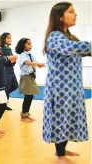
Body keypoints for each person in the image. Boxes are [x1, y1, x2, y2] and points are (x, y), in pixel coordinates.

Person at [42, 2, 91, 163]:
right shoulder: (55, 36)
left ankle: (62, 149)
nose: (75, 14)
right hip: (60, 89)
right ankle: (60, 154)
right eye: (71, 11)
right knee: (60, 119)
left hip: (72, 88)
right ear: (60, 16)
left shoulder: (69, 37)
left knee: (69, 118)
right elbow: (71, 48)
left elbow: (81, 49)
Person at [15, 38, 45, 122]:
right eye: (28, 44)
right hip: (26, 77)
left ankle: (25, 113)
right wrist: (37, 64)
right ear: (23, 45)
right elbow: (28, 62)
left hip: (30, 76)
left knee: (30, 96)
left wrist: (40, 65)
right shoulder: (23, 55)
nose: (30, 45)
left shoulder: (29, 54)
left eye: (30, 44)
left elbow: (34, 62)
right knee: (28, 96)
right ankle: (24, 115)